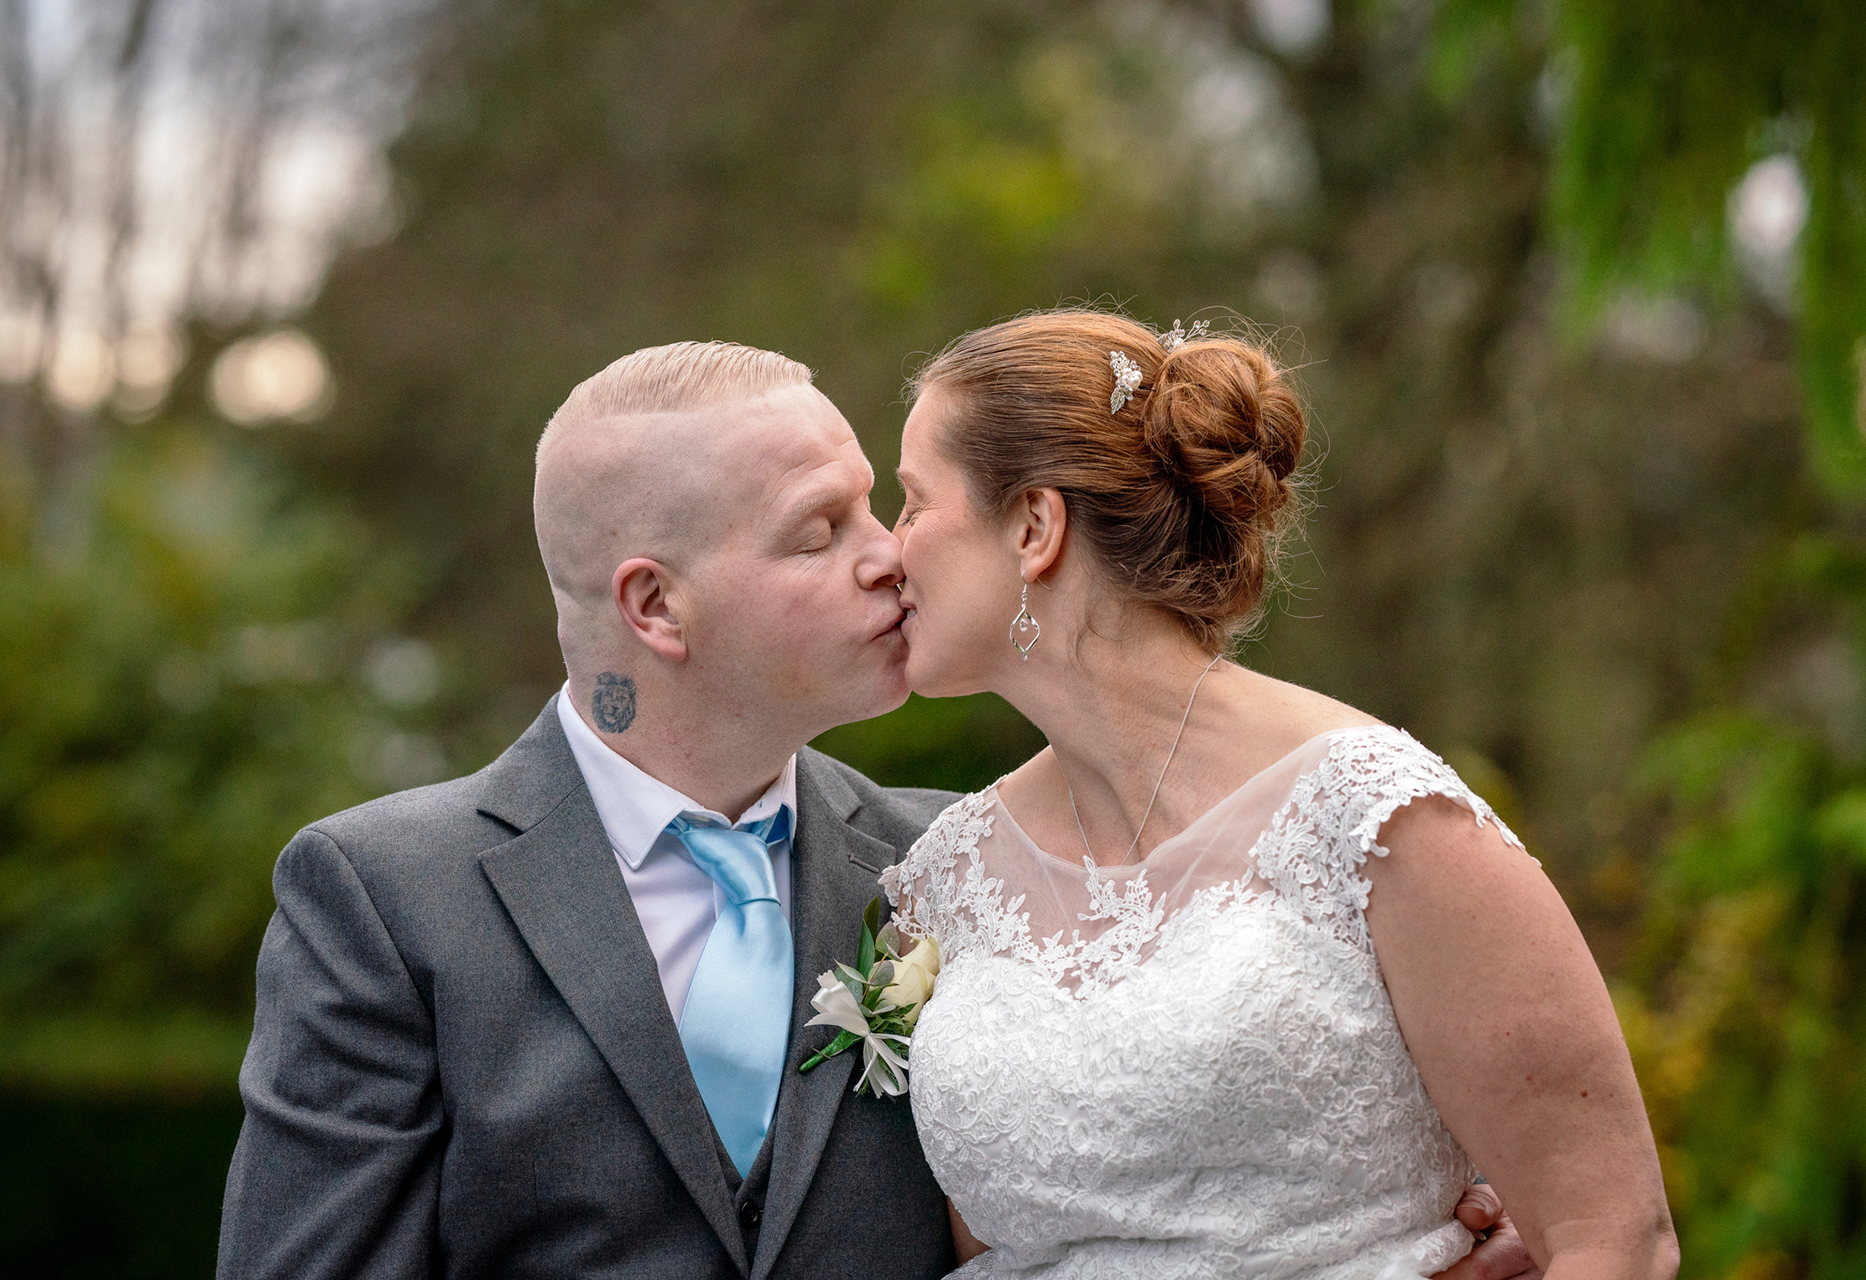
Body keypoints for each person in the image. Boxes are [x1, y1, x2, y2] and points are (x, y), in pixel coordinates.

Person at [217, 340, 1538, 1278]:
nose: (890, 556)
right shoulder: (389, 899)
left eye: (880, 506)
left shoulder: (963, 866)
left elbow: (1140, 1160)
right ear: (655, 606)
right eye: (820, 531)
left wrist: (1417, 1212)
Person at [883, 309, 1680, 1279]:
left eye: (912, 503)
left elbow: (1615, 1236)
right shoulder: (949, 875)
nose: (887, 550)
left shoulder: (1375, 814)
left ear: (1033, 526)